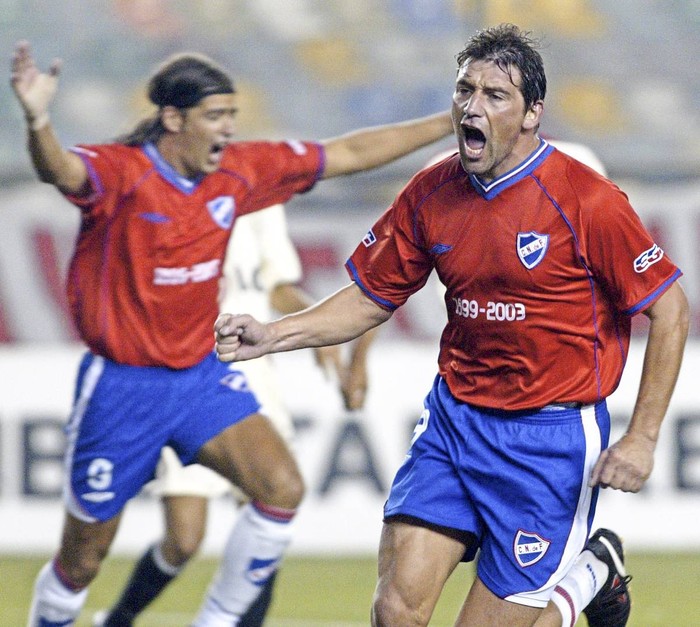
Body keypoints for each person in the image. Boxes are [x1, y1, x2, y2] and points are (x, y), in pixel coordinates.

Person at [214, 23, 690, 627]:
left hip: (551, 442)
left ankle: (593, 573)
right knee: (394, 613)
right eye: (465, 89)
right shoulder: (431, 190)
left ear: (530, 116)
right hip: (456, 424)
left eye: (495, 95)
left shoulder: (586, 199)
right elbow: (370, 297)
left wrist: (643, 438)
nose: (473, 105)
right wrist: (273, 334)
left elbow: (669, 309)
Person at [10, 40, 454, 626]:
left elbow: (348, 152)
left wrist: (450, 121)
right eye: (215, 116)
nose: (227, 130)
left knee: (281, 487)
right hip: (123, 388)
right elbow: (58, 170)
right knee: (82, 561)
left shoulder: (239, 171)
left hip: (200, 377)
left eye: (231, 117)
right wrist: (38, 117)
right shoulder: (123, 173)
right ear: (174, 119)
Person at [93, 203, 376, 627]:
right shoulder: (173, 194)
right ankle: (118, 620)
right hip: (190, 377)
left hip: (256, 377)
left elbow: (275, 288)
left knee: (271, 511)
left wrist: (319, 332)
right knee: (184, 538)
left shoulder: (263, 196)